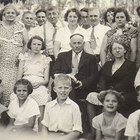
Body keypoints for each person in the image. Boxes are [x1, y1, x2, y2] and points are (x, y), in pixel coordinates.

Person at [86, 39, 138, 136]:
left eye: (120, 48)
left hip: (124, 94)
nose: (117, 50)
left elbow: (127, 82)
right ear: (112, 51)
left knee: (108, 99)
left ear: (125, 50)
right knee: (90, 96)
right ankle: (94, 131)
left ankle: (105, 133)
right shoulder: (108, 64)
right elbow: (102, 79)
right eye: (114, 49)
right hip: (106, 92)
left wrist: (109, 92)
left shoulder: (130, 65)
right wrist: (103, 91)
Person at [16, 35, 51, 130]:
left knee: (42, 94)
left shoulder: (46, 59)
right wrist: (26, 84)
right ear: (30, 45)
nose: (36, 46)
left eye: (39, 44)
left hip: (39, 84)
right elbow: (19, 78)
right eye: (34, 44)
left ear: (42, 46)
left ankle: (40, 128)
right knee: (18, 95)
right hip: (25, 83)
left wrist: (40, 84)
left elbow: (46, 80)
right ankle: (21, 127)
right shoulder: (24, 57)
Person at [0, 4, 28, 106]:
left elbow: (26, 44)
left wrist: (20, 55)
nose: (10, 15)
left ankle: (10, 114)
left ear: (16, 14)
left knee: (13, 88)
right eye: (8, 13)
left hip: (15, 64)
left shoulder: (20, 26)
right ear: (3, 14)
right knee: (1, 87)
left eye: (13, 13)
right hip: (1, 63)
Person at [41, 74, 82, 140]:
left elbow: (77, 131)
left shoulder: (74, 107)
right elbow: (44, 127)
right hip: (51, 136)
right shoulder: (49, 106)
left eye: (66, 88)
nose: (63, 90)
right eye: (60, 87)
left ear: (70, 89)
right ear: (54, 89)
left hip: (67, 137)